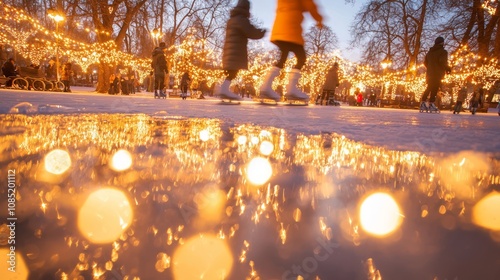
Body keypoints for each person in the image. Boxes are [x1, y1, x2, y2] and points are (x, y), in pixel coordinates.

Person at [259, 0, 323, 102]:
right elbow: (310, 5)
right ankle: (291, 89)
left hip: (279, 29)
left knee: (283, 57)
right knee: (301, 58)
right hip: (291, 29)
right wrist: (319, 19)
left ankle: (266, 86)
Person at [217, 0, 266, 100]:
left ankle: (224, 89)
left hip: (230, 51)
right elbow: (250, 31)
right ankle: (224, 90)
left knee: (232, 72)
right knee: (233, 72)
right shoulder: (241, 20)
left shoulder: (232, 20)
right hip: (235, 52)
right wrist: (261, 33)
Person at [420, 36, 451, 112]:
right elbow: (442, 61)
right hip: (438, 73)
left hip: (430, 73)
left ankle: (424, 103)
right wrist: (447, 69)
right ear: (442, 43)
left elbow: (425, 62)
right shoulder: (443, 52)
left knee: (429, 87)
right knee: (434, 88)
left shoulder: (430, 52)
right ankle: (430, 103)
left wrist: (430, 68)